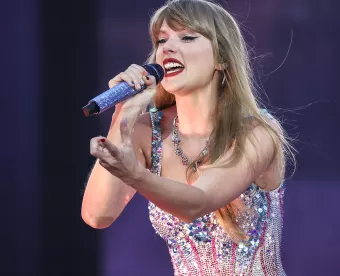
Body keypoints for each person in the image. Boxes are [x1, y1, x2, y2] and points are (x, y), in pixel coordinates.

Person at [82, 0, 295, 275]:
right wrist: (123, 114)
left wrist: (135, 175)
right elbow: (97, 215)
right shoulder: (146, 132)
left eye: (187, 37)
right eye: (161, 40)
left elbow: (197, 202)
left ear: (222, 58)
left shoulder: (258, 131)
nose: (168, 48)